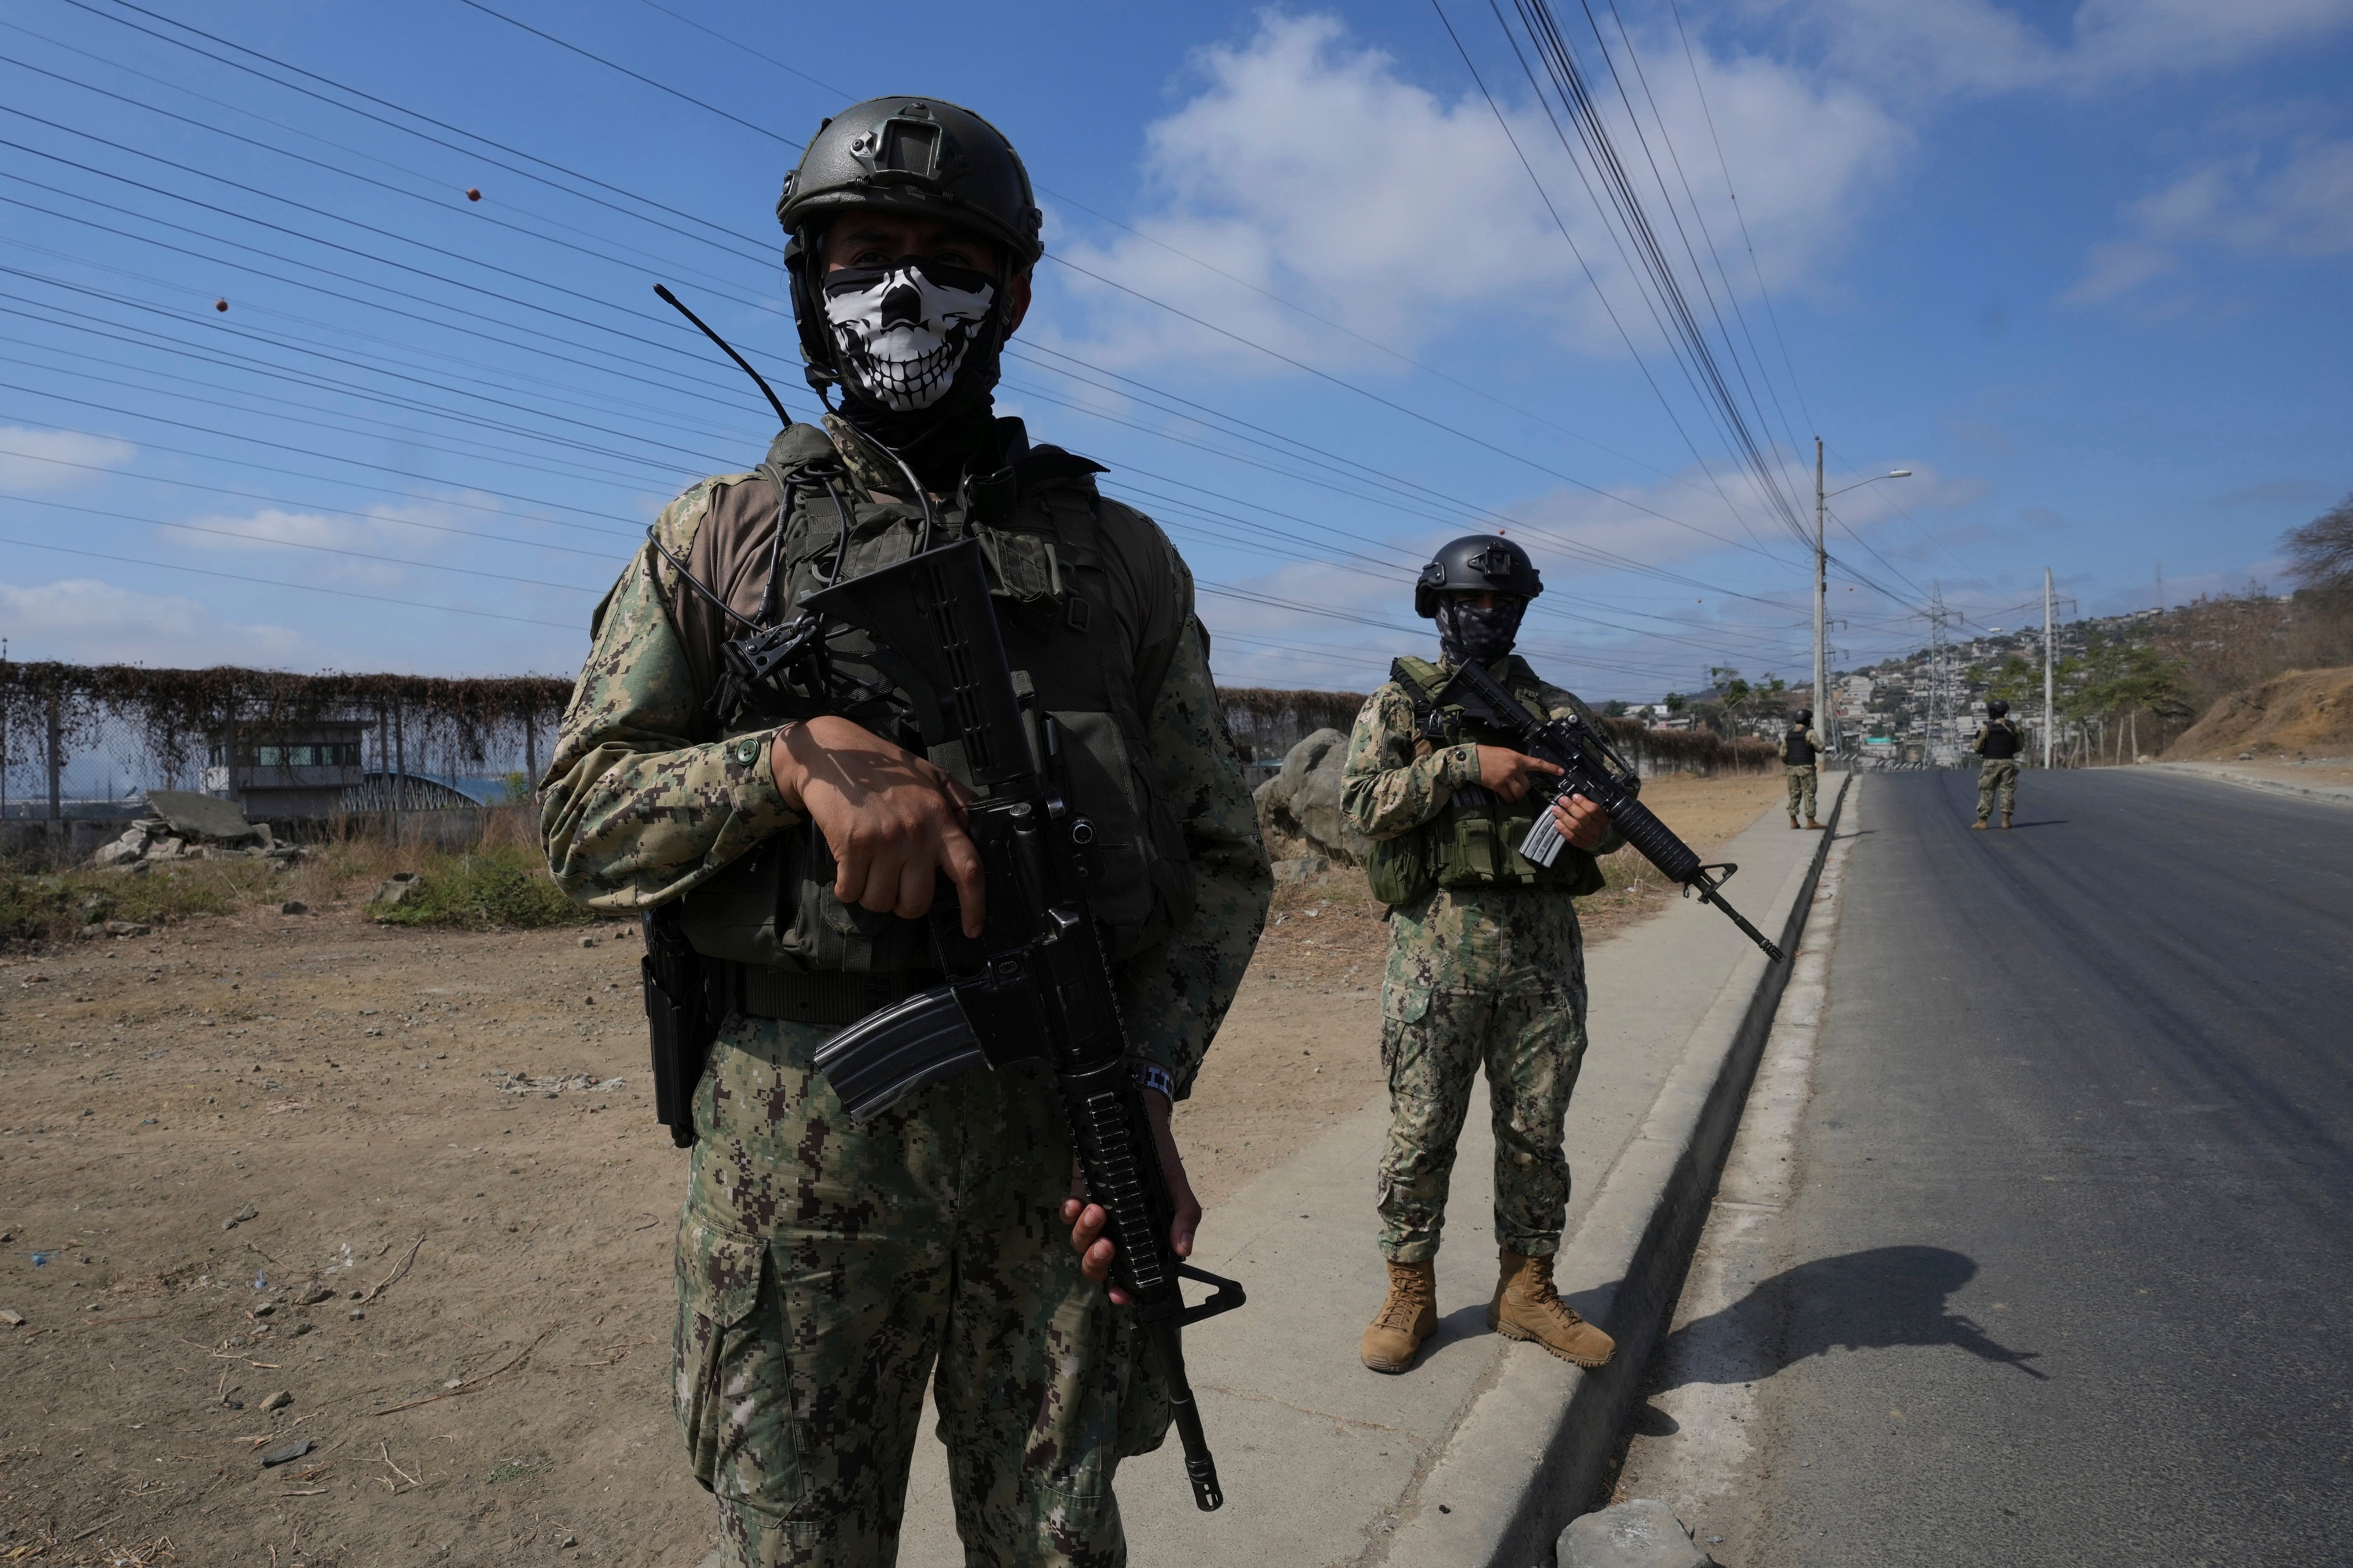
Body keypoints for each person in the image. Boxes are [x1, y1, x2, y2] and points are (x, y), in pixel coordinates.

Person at [539, 97, 1271, 1567]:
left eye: (949, 259)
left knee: (1060, 1540)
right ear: (809, 281)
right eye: (865, 252)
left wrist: (1142, 1078)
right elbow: (581, 816)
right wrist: (790, 758)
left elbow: (1218, 859)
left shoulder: (1119, 557)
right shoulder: (719, 535)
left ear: (1011, 293)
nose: (904, 291)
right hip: (795, 1169)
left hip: (1056, 1154)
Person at [1339, 535, 1620, 1376]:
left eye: (1504, 604)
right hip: (1436, 955)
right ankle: (1408, 1289)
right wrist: (1463, 762)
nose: (1488, 616)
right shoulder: (1397, 705)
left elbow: (1608, 801)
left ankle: (1526, 1290)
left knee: (1535, 1133)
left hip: (1540, 960)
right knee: (1421, 1129)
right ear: (1437, 606)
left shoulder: (1560, 713)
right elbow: (1360, 804)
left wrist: (1595, 828)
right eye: (1471, 601)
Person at [1972, 699, 2025, 829]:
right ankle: (2006, 821)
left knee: (1987, 791)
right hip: (2008, 762)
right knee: (2007, 790)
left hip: (1991, 762)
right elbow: (2019, 746)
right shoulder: (2015, 728)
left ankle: (1983, 822)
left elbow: (1977, 747)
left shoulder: (1986, 728)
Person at [1783, 708, 1825, 829]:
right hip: (1806, 768)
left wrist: (1790, 763)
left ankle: (1793, 821)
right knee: (1809, 794)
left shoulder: (1789, 734)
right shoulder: (1809, 733)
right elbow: (1820, 748)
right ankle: (1811, 821)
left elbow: (1783, 753)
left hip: (1792, 768)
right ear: (1807, 719)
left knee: (1794, 794)